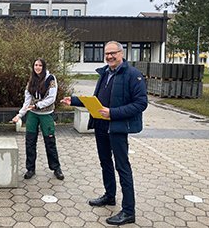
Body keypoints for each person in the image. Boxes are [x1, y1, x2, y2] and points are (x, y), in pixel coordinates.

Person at [61, 41, 148, 225]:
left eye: (113, 53)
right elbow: (97, 100)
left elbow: (141, 104)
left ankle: (129, 211)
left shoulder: (133, 75)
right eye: (107, 53)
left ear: (121, 53)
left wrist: (113, 113)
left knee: (122, 167)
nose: (109, 56)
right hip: (101, 127)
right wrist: (74, 100)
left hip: (117, 128)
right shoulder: (105, 73)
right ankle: (109, 196)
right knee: (105, 163)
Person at [12, 58, 64, 180]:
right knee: (30, 142)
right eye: (35, 65)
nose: (37, 67)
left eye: (40, 65)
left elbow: (51, 98)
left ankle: (56, 168)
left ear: (44, 66)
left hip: (46, 114)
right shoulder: (31, 81)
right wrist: (19, 115)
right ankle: (30, 169)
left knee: (50, 142)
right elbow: (27, 101)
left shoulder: (51, 79)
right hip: (33, 115)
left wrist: (37, 105)